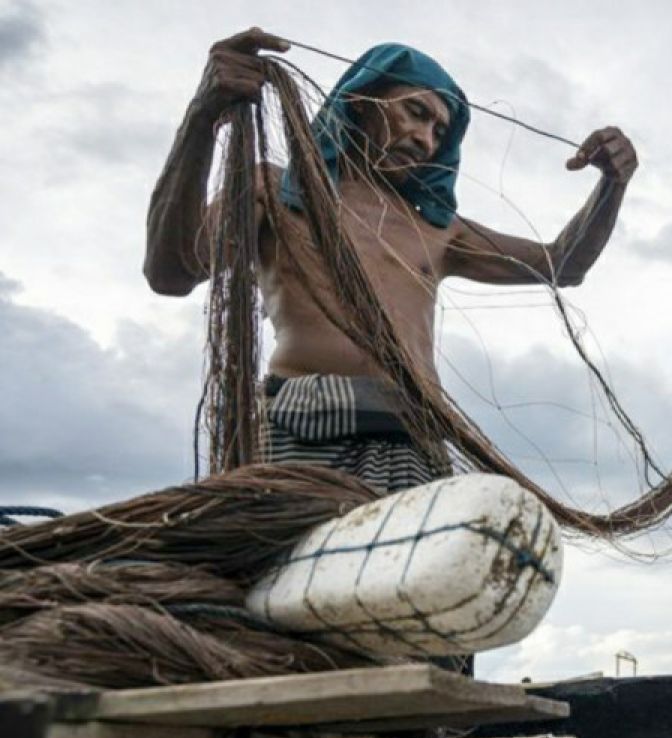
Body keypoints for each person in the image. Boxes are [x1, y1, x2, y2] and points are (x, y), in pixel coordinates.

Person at [142, 28, 638, 492]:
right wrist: (203, 117)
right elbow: (170, 272)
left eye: (441, 132)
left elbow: (562, 265)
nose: (427, 139)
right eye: (416, 113)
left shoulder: (439, 230)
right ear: (360, 102)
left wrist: (612, 185)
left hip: (412, 435)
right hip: (301, 428)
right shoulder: (279, 191)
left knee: (417, 582)